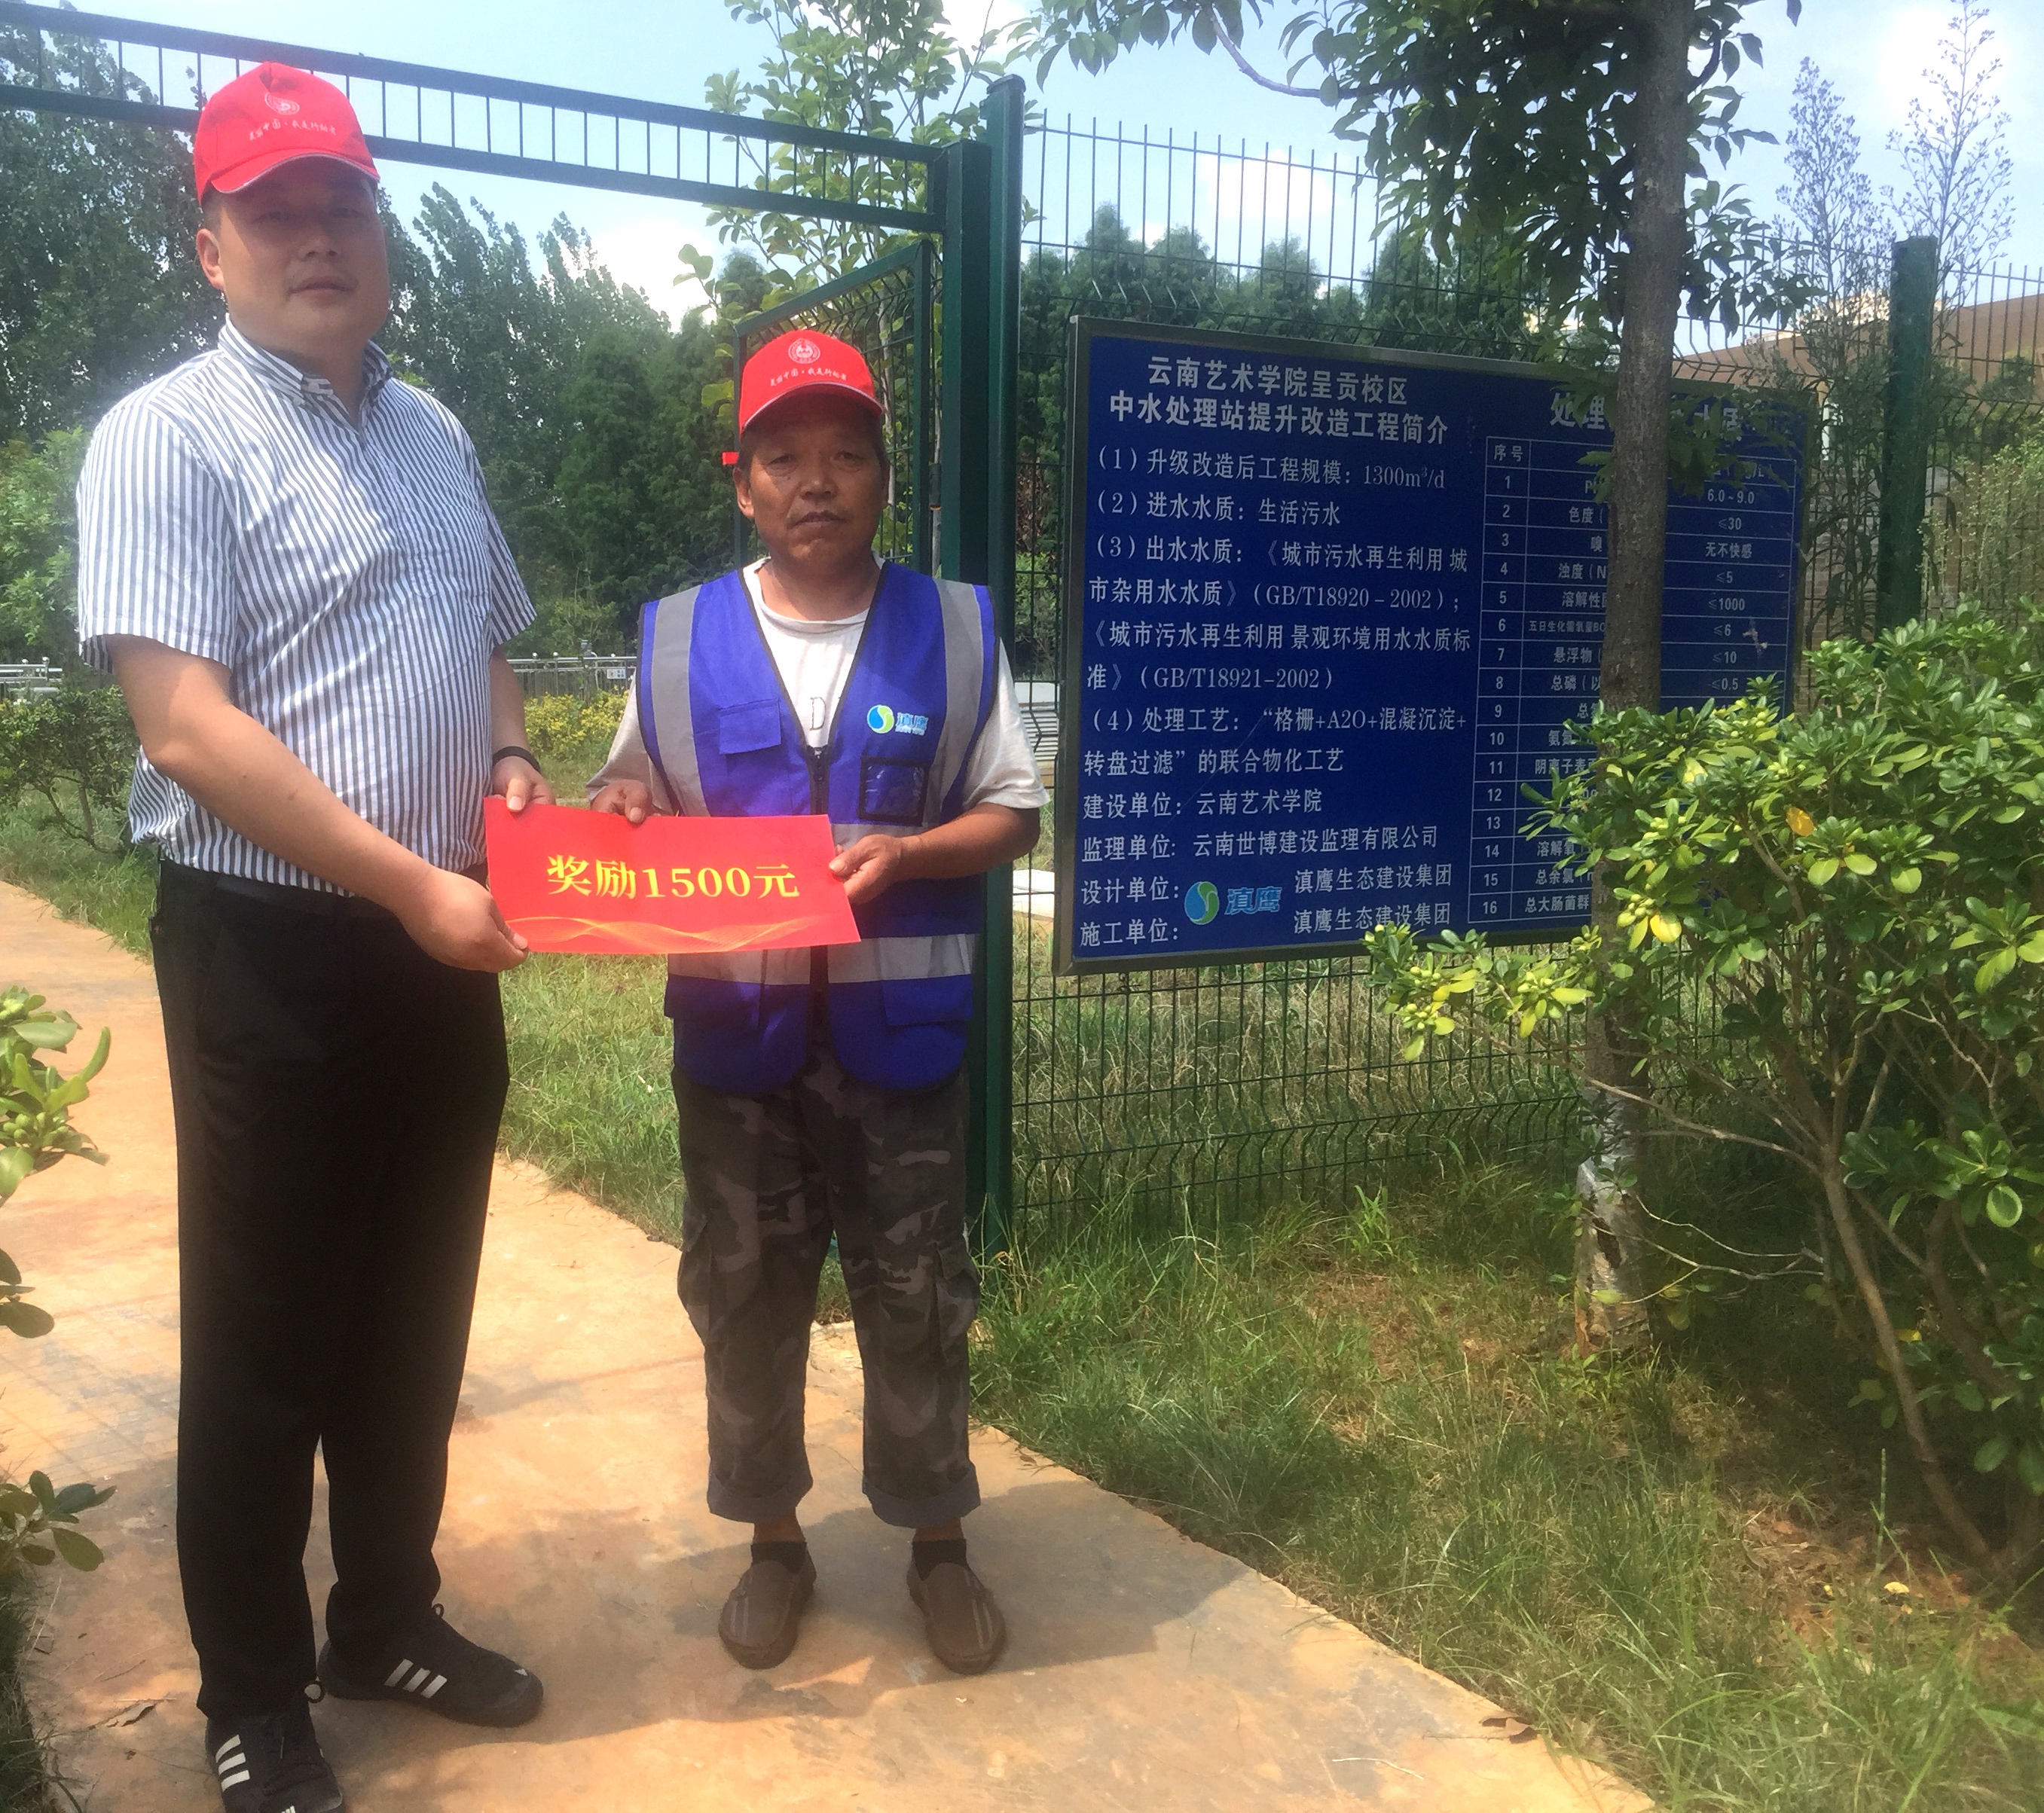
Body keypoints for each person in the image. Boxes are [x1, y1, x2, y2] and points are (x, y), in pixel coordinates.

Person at [75, 63, 548, 1813]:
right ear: (211, 245)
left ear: (379, 230)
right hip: (268, 948)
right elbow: (184, 727)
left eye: (339, 203)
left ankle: (388, 1619)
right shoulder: (165, 437)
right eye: (272, 211)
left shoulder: (437, 436)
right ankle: (256, 1694)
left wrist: (507, 760)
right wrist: (413, 883)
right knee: (267, 1335)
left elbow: (490, 637)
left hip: (439, 940)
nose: (315, 237)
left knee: (414, 1313)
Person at [589, 329, 1044, 1675]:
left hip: (903, 1045)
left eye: (847, 453)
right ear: (742, 482)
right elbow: (632, 790)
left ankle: (936, 1541)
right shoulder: (677, 636)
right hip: (737, 1046)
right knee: (743, 1292)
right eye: (783, 456)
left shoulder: (952, 629)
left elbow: (1014, 813)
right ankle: (773, 1544)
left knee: (918, 1295)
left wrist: (912, 853)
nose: (817, 481)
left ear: (883, 476)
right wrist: (617, 806)